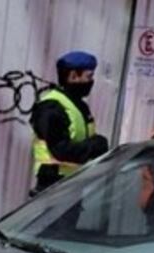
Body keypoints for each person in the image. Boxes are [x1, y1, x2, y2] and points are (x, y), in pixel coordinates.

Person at [29, 51, 109, 195]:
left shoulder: (79, 106)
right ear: (73, 76)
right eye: (88, 76)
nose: (91, 82)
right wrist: (94, 145)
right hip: (52, 184)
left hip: (71, 183)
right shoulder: (52, 107)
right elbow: (60, 149)